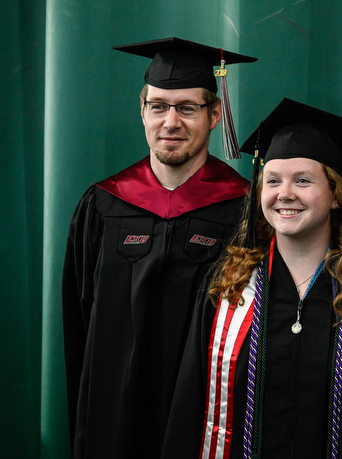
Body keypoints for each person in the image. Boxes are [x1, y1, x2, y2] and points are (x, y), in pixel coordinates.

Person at [160, 98, 342, 459]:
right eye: (272, 181)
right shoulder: (229, 288)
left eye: (302, 180)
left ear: (334, 196)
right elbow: (190, 403)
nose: (285, 194)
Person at [62, 37, 255, 458]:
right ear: (142, 110)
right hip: (112, 410)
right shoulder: (104, 203)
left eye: (187, 108)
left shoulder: (244, 208)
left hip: (203, 415)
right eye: (159, 106)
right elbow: (79, 318)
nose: (171, 121)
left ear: (215, 114)